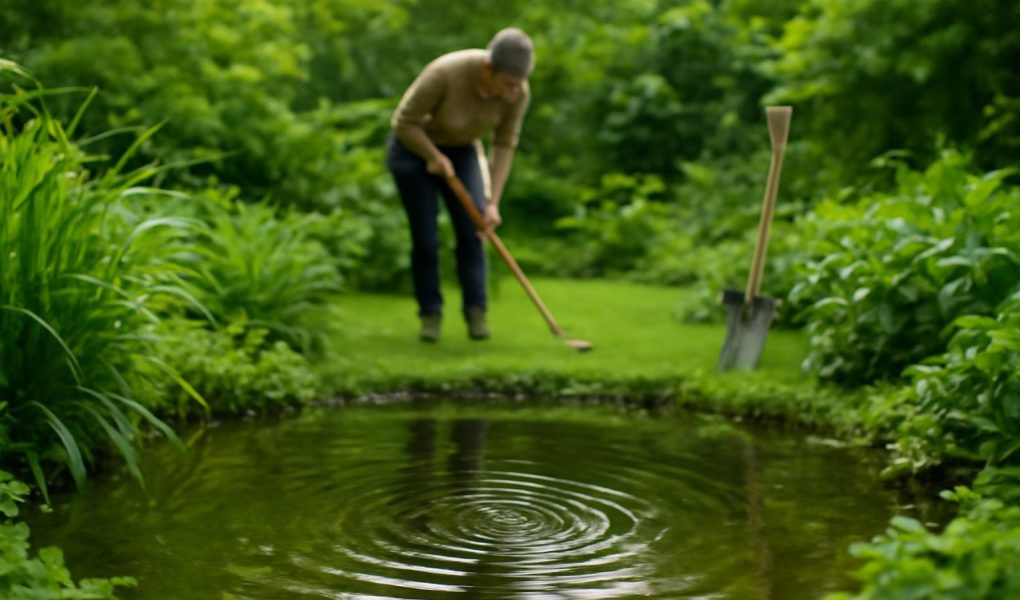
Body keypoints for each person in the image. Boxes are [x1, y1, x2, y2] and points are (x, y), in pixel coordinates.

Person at [386, 28, 534, 343]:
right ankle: (430, 314)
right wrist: (432, 156)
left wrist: (493, 201)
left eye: (518, 85)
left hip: (462, 150)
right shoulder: (446, 72)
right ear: (487, 70)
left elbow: (505, 144)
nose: (513, 93)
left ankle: (476, 312)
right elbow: (403, 122)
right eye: (508, 84)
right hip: (413, 148)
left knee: (475, 229)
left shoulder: (518, 92)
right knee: (425, 237)